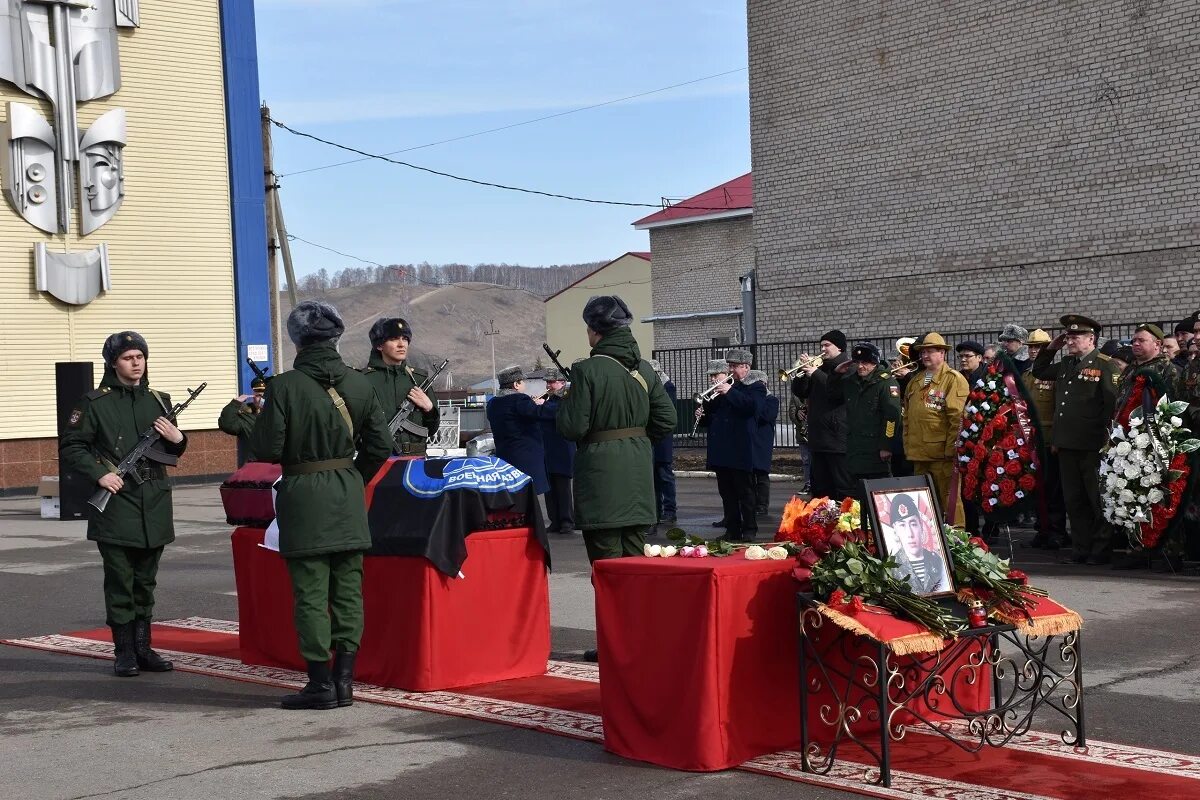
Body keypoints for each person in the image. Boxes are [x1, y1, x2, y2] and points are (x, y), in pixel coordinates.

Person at [251, 301, 392, 709]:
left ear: (297, 340)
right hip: (347, 493)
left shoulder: (284, 386)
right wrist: (351, 479)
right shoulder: (362, 384)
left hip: (303, 494)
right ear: (336, 337)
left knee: (311, 593)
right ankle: (345, 681)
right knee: (349, 590)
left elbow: (266, 448)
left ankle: (319, 685)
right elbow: (381, 446)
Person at [60, 331, 189, 678]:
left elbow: (170, 451)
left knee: (146, 582)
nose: (136, 363)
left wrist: (179, 440)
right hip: (116, 504)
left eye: (140, 357)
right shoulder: (93, 403)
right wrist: (101, 474)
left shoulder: (160, 401)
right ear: (113, 363)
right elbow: (72, 447)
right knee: (120, 580)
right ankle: (124, 651)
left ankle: (144, 648)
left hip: (154, 502)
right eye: (128, 357)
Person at [556, 295, 676, 661]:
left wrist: (569, 402)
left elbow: (571, 426)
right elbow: (667, 420)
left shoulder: (587, 371)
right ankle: (643, 640)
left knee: (607, 569)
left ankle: (616, 644)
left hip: (601, 482)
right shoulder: (644, 368)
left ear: (594, 331)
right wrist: (635, 442)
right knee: (637, 566)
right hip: (639, 480)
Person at [1031, 314, 1120, 565]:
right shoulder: (1067, 364)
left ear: (1091, 339)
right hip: (1067, 444)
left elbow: (1110, 405)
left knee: (1097, 499)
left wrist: (1106, 439)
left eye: (1075, 337)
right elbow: (1039, 370)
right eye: (1068, 336)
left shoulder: (1104, 365)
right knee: (1074, 500)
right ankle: (1081, 548)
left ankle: (1100, 550)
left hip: (1092, 444)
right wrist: (1051, 348)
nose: (1070, 341)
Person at [901, 332, 968, 525]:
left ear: (942, 353)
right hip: (919, 454)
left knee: (949, 500)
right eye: (922, 352)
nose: (924, 356)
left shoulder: (953, 379)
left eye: (930, 351)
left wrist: (951, 450)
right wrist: (908, 447)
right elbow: (908, 417)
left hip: (941, 455)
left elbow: (957, 418)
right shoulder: (916, 380)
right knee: (923, 504)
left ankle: (957, 540)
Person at [703, 349, 767, 541]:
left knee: (745, 492)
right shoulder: (726, 387)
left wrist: (729, 392)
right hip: (723, 448)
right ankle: (732, 529)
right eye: (729, 366)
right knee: (727, 493)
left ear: (746, 367)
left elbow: (752, 407)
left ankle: (749, 529)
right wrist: (712, 395)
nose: (730, 370)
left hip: (741, 448)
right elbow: (712, 412)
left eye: (734, 366)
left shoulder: (756, 387)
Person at [836, 342, 901, 508]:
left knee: (878, 497)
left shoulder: (886, 383)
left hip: (876, 449)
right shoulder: (851, 382)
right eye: (857, 362)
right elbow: (832, 395)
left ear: (875, 362)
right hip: (855, 448)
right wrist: (836, 373)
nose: (860, 366)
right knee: (856, 497)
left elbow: (892, 417)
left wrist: (886, 445)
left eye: (865, 362)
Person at [790, 330, 852, 499]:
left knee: (841, 486)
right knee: (820, 488)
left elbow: (838, 392)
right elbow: (800, 391)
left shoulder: (848, 367)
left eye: (827, 345)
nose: (823, 349)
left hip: (837, 438)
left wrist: (815, 373)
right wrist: (801, 374)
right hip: (818, 438)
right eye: (821, 345)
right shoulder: (820, 367)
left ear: (839, 347)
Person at [363, 317, 439, 456]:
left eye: (405, 339)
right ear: (379, 345)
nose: (401, 344)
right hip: (379, 462)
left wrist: (430, 409)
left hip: (416, 461)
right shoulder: (364, 380)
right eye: (393, 339)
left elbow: (432, 430)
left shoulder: (418, 379)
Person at [1022, 329, 1068, 550]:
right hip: (1030, 439)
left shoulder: (1052, 374)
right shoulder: (1025, 375)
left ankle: (1057, 531)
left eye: (1039, 347)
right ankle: (1042, 529)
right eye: (1031, 347)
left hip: (1049, 439)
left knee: (1053, 489)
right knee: (1037, 488)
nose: (1033, 351)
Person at [487, 365, 550, 496]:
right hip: (525, 460)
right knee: (528, 502)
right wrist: (542, 405)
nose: (524, 385)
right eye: (522, 381)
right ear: (516, 384)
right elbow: (539, 413)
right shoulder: (519, 400)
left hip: (504, 459)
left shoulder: (493, 403)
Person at [886, 493, 950, 595]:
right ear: (895, 530)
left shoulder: (938, 561)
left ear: (921, 526)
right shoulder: (891, 565)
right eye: (902, 525)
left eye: (913, 524)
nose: (910, 534)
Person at [539, 368, 576, 534]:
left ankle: (567, 520)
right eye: (547, 382)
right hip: (549, 448)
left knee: (562, 487)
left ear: (562, 382)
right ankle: (555, 520)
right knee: (550, 488)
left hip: (561, 448)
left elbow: (557, 412)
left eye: (552, 382)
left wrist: (541, 406)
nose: (549, 385)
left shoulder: (566, 398)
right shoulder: (550, 399)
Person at [1115, 323, 1179, 411]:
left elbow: (1171, 402)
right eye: (1134, 341)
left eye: (1141, 340)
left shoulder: (1166, 368)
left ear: (1157, 344)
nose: (1136, 344)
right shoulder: (1130, 368)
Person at [648, 359, 677, 528]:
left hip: (663, 439)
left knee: (665, 476)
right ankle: (656, 511)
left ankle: (670, 511)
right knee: (653, 478)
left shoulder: (667, 387)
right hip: (651, 438)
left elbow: (666, 412)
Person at [747, 369, 778, 518]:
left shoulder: (771, 399)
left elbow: (767, 416)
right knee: (749, 475)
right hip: (749, 439)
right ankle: (750, 503)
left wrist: (756, 406)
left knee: (762, 475)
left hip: (762, 441)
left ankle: (762, 505)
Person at [217, 372, 267, 461]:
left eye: (264, 396)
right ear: (253, 396)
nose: (261, 399)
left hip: (274, 468)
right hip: (251, 467)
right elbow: (227, 424)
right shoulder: (245, 417)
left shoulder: (279, 415)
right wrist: (235, 403)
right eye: (258, 395)